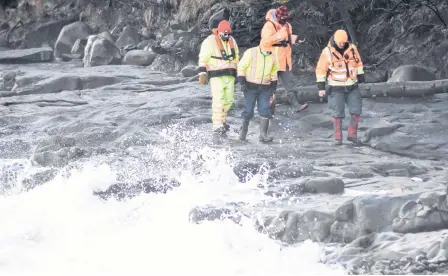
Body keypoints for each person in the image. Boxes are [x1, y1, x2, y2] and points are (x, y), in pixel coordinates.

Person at [315, 29, 365, 145]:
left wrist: (361, 74)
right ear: (335, 41)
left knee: (356, 110)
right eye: (340, 43)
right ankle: (338, 138)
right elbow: (321, 70)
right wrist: (321, 88)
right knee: (337, 113)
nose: (342, 44)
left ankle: (352, 135)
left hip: (352, 86)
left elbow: (358, 62)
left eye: (344, 42)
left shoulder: (352, 48)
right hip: (335, 87)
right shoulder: (327, 52)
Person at [261, 5, 309, 113]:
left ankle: (295, 106)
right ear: (277, 17)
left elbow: (287, 38)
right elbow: (265, 41)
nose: (284, 21)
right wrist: (280, 35)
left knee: (290, 83)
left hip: (285, 61)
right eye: (282, 19)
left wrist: (297, 39)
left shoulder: (287, 25)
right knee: (271, 86)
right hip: (272, 61)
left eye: (285, 19)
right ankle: (268, 108)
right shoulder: (269, 26)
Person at [198, 20, 240, 138]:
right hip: (216, 76)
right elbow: (203, 58)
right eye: (224, 34)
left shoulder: (232, 41)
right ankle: (217, 126)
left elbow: (236, 57)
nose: (226, 36)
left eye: (228, 34)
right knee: (219, 100)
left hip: (230, 75)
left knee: (229, 100)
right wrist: (202, 73)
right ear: (219, 32)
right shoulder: (210, 41)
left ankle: (223, 120)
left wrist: (238, 73)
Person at [237, 37, 279, 143]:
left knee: (266, 110)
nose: (269, 49)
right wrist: (242, 82)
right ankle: (243, 132)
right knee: (248, 110)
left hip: (266, 87)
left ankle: (263, 135)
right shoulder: (251, 52)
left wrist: (273, 89)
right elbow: (241, 67)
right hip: (250, 86)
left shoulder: (273, 55)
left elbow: (274, 72)